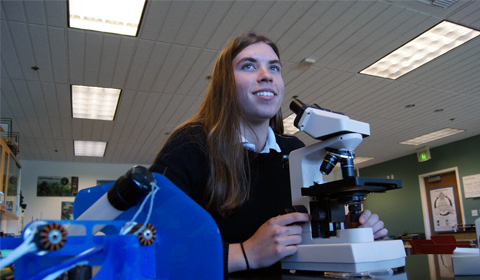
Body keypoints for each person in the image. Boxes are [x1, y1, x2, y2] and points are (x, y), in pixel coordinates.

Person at [149, 33, 387, 276]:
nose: (266, 75)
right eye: (249, 66)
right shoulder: (191, 143)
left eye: (274, 67)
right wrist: (247, 252)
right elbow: (146, 245)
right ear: (224, 85)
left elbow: (305, 237)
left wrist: (345, 233)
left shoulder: (293, 150)